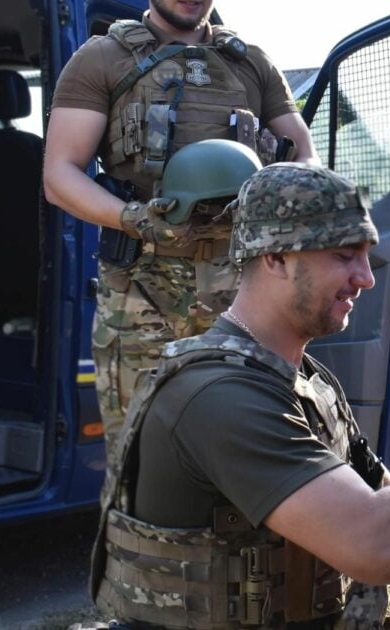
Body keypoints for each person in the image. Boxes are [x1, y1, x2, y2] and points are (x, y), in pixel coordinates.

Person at [90, 162, 390, 629]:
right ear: (276, 258)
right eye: (345, 255)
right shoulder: (218, 396)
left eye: (366, 255)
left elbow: (386, 513)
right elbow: (376, 544)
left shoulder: (304, 378)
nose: (367, 278)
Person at [42, 0, 319, 452]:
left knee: (254, 444)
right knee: (143, 454)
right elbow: (60, 175)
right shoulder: (102, 58)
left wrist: (273, 209)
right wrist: (133, 219)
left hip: (244, 293)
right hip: (141, 293)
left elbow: (306, 158)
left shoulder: (251, 63)